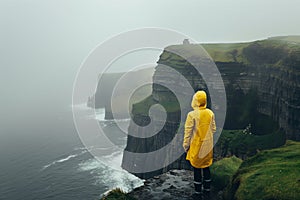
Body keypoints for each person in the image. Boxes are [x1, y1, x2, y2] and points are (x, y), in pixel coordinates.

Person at [183, 90, 216, 199]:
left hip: (197, 146)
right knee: (206, 167)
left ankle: (198, 192)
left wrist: (186, 146)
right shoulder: (210, 113)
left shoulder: (192, 115)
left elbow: (188, 132)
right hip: (208, 146)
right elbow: (213, 129)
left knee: (197, 168)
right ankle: (207, 189)